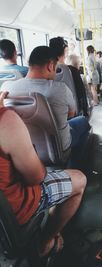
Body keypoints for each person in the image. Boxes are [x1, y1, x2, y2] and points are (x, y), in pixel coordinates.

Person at [0, 90, 86, 257]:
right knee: (79, 179)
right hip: (12, 211)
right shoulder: (6, 121)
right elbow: (36, 177)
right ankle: (45, 242)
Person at [1, 46, 91, 168]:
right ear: (50, 66)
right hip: (57, 150)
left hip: (23, 151)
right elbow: (72, 114)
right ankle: (74, 166)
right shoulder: (60, 89)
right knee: (83, 121)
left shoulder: (6, 88)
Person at [49, 37, 79, 114]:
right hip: (71, 112)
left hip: (51, 113)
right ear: (65, 50)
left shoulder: (47, 71)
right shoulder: (72, 70)